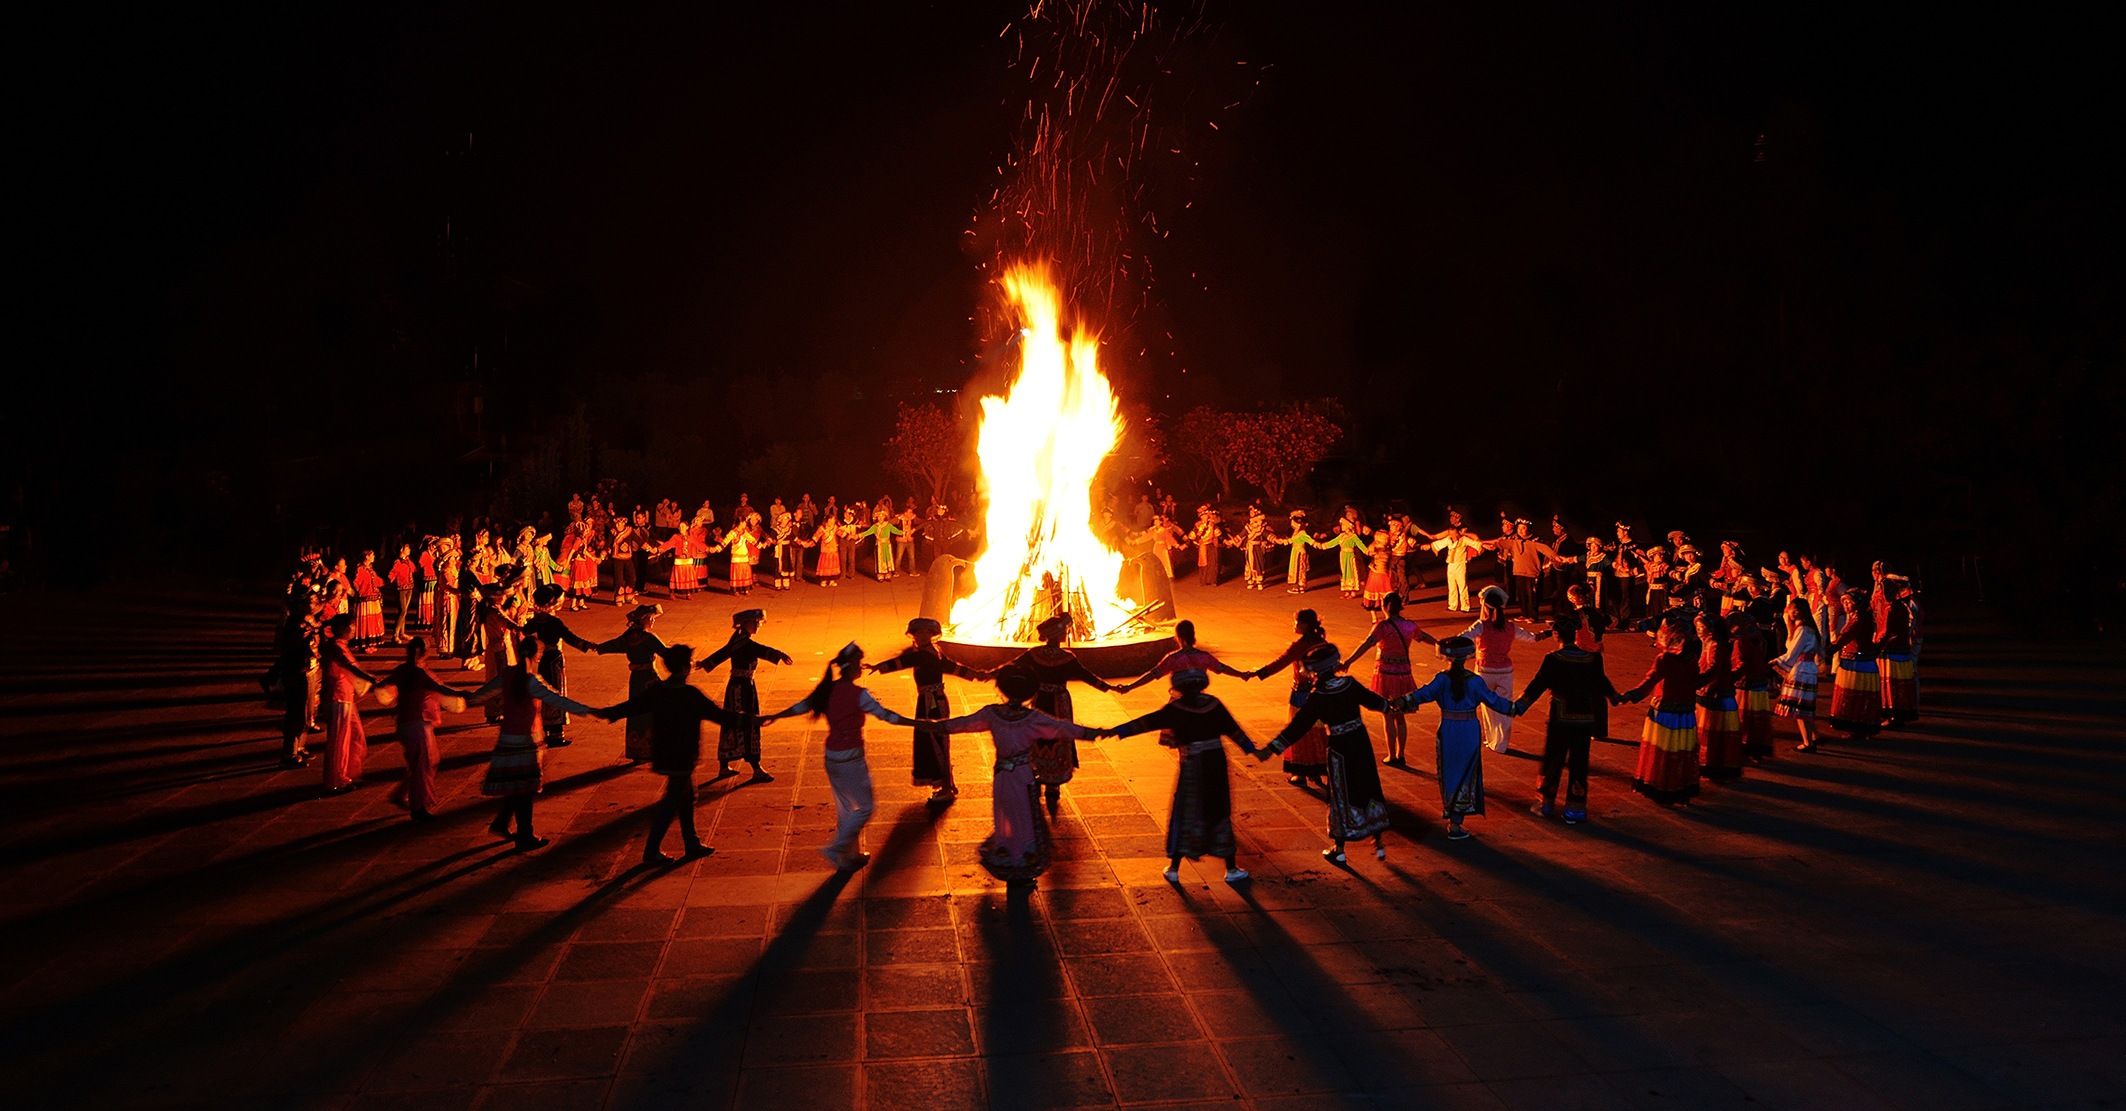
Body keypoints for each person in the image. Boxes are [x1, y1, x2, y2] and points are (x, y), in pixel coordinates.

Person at [932, 670, 1103, 885]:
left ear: (1002, 690)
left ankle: (1007, 851)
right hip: (1023, 775)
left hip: (1002, 775)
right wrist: (1094, 733)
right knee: (1026, 815)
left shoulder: (992, 715)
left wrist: (929, 724)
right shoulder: (1031, 719)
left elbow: (963, 724)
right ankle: (1023, 859)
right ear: (1030, 694)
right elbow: (1061, 728)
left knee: (1006, 812)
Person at [599, 642, 757, 864]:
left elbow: (633, 706)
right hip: (683, 756)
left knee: (687, 797)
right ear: (684, 668)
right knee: (673, 801)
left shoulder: (658, 691)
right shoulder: (690, 695)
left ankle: (691, 843)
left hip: (666, 753)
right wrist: (748, 719)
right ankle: (652, 850)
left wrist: (610, 712)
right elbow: (719, 716)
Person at [765, 643, 912, 871]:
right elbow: (887, 716)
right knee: (866, 807)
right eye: (859, 663)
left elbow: (799, 707)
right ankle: (836, 848)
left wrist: (774, 716)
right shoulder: (858, 694)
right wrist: (916, 723)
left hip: (831, 755)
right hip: (851, 756)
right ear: (852, 667)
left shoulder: (827, 691)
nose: (861, 668)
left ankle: (850, 856)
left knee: (845, 806)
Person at [1107, 669, 1258, 883]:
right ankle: (1231, 869)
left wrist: (1115, 731)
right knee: (1218, 808)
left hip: (1193, 765)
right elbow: (1235, 731)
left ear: (1179, 688)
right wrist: (1253, 750)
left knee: (1186, 809)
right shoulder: (1214, 704)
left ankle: (1174, 868)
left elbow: (1147, 722)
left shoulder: (1175, 709)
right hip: (1216, 763)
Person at [465, 638, 600, 851]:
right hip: (527, 742)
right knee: (525, 791)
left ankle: (503, 822)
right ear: (538, 655)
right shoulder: (532, 681)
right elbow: (558, 700)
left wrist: (460, 698)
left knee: (517, 786)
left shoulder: (507, 675)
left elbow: (480, 695)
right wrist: (589, 710)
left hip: (507, 740)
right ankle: (524, 835)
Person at [1261, 645, 1393, 861]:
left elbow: (1299, 726)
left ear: (1315, 672)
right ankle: (1378, 843)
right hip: (1360, 741)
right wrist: (1396, 705)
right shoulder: (1350, 684)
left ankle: (1339, 850)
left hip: (1339, 748)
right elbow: (1375, 702)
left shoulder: (1318, 695)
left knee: (1340, 793)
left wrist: (1273, 748)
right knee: (1368, 785)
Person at [1393, 636, 1521, 839]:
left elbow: (1421, 694)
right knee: (1467, 773)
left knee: (1449, 771)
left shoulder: (1441, 679)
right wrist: (1515, 708)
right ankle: (1456, 822)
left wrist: (1403, 700)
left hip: (1448, 729)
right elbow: (1494, 701)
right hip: (1469, 729)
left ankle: (1450, 813)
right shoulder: (1475, 682)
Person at [1512, 618, 1620, 824]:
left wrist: (1521, 706)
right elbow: (1602, 682)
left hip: (1560, 718)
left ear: (1557, 636)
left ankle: (1546, 804)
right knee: (1579, 763)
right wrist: (1615, 697)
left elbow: (1538, 684)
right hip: (1585, 718)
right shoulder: (1590, 659)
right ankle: (1575, 809)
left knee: (1554, 760)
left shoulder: (1554, 659)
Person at [1004, 614, 1117, 810]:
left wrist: (987, 674)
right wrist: (1108, 687)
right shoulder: (1067, 658)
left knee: (1037, 737)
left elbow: (1012, 665)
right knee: (1058, 736)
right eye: (1063, 632)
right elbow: (1086, 676)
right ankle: (1053, 786)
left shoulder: (1034, 654)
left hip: (1040, 701)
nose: (1065, 634)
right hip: (1060, 702)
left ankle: (1036, 775)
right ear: (1057, 635)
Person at [869, 618, 986, 802]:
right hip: (931, 700)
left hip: (931, 703)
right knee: (934, 740)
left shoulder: (925, 654)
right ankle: (944, 785)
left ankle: (945, 787)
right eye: (919, 633)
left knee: (934, 740)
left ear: (932, 635)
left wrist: (880, 667)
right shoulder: (934, 651)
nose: (922, 636)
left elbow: (906, 661)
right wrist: (975, 675)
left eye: (926, 633)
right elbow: (952, 668)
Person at [372, 637, 468, 821]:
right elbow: (439, 688)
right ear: (425, 652)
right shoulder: (420, 674)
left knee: (419, 762)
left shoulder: (403, 670)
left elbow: (384, 684)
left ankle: (402, 794)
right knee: (425, 764)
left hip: (404, 724)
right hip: (419, 724)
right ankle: (418, 807)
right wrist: (461, 694)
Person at [1619, 613, 1708, 805]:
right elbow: (1695, 681)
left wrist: (1631, 696)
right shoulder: (1692, 658)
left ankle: (1662, 788)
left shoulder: (1664, 659)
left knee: (1662, 751)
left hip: (1665, 712)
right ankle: (1683, 789)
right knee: (1683, 751)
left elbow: (1650, 681)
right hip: (1686, 713)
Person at [1340, 592, 1437, 766]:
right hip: (1404, 673)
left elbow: (1366, 645)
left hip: (1385, 673)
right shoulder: (1409, 626)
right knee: (1400, 716)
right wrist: (1440, 645)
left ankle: (1391, 755)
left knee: (1388, 714)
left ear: (1384, 606)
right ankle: (1401, 754)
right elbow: (1424, 637)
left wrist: (1348, 661)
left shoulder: (1382, 627)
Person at [697, 608, 791, 783]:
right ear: (745, 624)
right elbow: (760, 650)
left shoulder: (737, 640)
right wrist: (778, 654)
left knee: (730, 722)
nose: (757, 625)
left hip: (736, 686)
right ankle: (756, 768)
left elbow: (722, 654)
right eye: (754, 622)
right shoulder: (744, 643)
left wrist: (706, 663)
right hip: (743, 688)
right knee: (749, 722)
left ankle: (724, 766)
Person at [1459, 586, 1549, 754]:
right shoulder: (1510, 627)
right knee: (1505, 708)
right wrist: (1545, 633)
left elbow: (1463, 637)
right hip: (1504, 671)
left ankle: (1492, 740)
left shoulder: (1481, 625)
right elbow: (1532, 638)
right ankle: (1501, 744)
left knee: (1487, 707)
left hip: (1484, 670)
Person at [1251, 609, 1332, 789]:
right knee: (1317, 732)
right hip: (1318, 694)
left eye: (1296, 622)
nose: (1294, 625)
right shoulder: (1322, 642)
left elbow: (1281, 662)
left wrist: (1258, 673)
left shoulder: (1299, 646)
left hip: (1301, 694)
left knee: (1299, 732)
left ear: (1304, 624)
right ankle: (1317, 770)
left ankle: (1301, 772)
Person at [522, 584, 598, 749]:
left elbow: (525, 630)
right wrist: (587, 645)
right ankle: (556, 734)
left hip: (541, 660)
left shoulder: (535, 621)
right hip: (554, 660)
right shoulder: (554, 622)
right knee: (556, 692)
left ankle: (543, 731)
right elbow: (569, 637)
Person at [595, 604, 667, 762]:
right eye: (651, 619)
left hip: (635, 678)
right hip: (649, 677)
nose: (652, 622)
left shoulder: (627, 638)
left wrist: (596, 647)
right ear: (645, 620)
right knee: (653, 710)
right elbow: (666, 653)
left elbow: (611, 645)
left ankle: (636, 748)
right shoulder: (648, 638)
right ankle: (651, 747)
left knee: (635, 710)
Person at [319, 614, 380, 794]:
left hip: (345, 697)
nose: (355, 630)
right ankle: (334, 781)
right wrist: (370, 679)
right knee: (339, 742)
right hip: (337, 697)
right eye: (353, 627)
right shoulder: (336, 648)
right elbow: (349, 667)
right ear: (345, 629)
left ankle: (344, 775)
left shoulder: (339, 647)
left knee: (355, 735)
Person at [273, 593, 323, 768]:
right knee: (296, 715)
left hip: (308, 672)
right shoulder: (295, 629)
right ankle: (289, 754)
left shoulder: (304, 626)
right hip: (298, 675)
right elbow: (296, 652)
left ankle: (299, 747)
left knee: (307, 712)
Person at [1826, 584, 1882, 738]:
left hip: (1856, 664)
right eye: (1843, 602)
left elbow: (1845, 637)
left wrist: (1830, 650)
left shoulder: (1858, 620)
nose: (1845, 605)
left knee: (1854, 696)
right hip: (1864, 661)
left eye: (1848, 602)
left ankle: (1855, 728)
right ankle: (1864, 727)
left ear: (1857, 603)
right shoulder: (1862, 617)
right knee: (1864, 696)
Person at [1694, 611, 1744, 780]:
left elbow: (1713, 669)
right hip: (1710, 692)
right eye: (1698, 627)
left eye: (1702, 627)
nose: (1699, 630)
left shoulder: (1715, 646)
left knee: (1713, 733)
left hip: (1716, 694)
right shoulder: (1707, 643)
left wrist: (1699, 682)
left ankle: (1713, 765)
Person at [1771, 599, 1824, 752]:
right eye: (1791, 610)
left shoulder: (1802, 631)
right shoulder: (1807, 629)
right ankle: (1814, 735)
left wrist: (1776, 662)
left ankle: (1808, 743)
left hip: (1801, 670)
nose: (1792, 613)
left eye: (1795, 610)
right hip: (1806, 669)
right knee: (1804, 707)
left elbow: (1792, 653)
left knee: (1801, 709)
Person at [1876, 573, 1920, 727]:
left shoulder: (1891, 609)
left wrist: (1877, 646)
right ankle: (1901, 716)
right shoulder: (1903, 606)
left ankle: (1892, 716)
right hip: (1903, 650)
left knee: (1891, 685)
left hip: (1891, 651)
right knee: (1902, 684)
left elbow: (1887, 631)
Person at [1730, 611, 1776, 759]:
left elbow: (1741, 663)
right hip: (1759, 685)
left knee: (1745, 719)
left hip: (1746, 686)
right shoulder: (1757, 640)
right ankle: (1758, 749)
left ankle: (1746, 750)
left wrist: (1730, 677)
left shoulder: (1740, 642)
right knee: (1758, 719)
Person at [1430, 525, 1485, 612]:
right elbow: (1437, 544)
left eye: (1455, 534)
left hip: (1460, 565)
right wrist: (1435, 549)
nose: (1453, 536)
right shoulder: (1448, 540)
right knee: (1451, 586)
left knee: (1462, 586)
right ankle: (1452, 605)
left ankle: (1465, 606)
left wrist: (1479, 550)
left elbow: (1476, 544)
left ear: (1457, 533)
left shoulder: (1463, 540)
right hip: (1451, 565)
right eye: (1451, 534)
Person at [1275, 511, 1324, 594]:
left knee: (1300, 569)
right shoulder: (1296, 532)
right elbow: (1290, 540)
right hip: (1295, 551)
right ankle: (1299, 586)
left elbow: (1310, 540)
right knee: (1296, 568)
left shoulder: (1302, 533)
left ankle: (1301, 586)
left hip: (1299, 552)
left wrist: (1319, 545)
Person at [350, 551, 387, 652]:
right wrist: (361, 591)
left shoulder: (370, 568)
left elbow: (376, 580)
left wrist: (385, 582)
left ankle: (370, 643)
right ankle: (365, 645)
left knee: (373, 621)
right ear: (367, 556)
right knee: (365, 622)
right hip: (365, 600)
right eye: (372, 555)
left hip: (373, 598)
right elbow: (356, 583)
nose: (374, 557)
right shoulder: (360, 569)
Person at [1327, 517, 1369, 600]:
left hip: (1350, 556)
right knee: (1344, 572)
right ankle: (1346, 591)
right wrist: (1322, 545)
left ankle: (1353, 592)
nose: (1342, 526)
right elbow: (1333, 542)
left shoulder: (1353, 536)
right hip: (1343, 555)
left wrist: (1366, 551)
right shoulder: (1342, 536)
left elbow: (1360, 544)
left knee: (1351, 572)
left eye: (1343, 525)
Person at [387, 544, 418, 643]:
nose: (409, 550)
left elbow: (413, 569)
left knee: (404, 611)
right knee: (402, 611)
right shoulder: (398, 562)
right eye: (407, 548)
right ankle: (395, 634)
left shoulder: (408, 561)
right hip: (401, 588)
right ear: (402, 549)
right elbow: (394, 572)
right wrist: (389, 580)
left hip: (409, 587)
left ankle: (402, 632)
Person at [1190, 507, 1224, 587]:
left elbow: (1218, 534)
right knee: (1203, 564)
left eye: (1206, 515)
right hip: (1202, 546)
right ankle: (1203, 581)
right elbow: (1192, 536)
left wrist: (1224, 540)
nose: (1205, 517)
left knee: (1212, 563)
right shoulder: (1198, 525)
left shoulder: (1212, 524)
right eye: (1203, 516)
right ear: (1200, 517)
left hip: (1211, 545)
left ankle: (1213, 581)